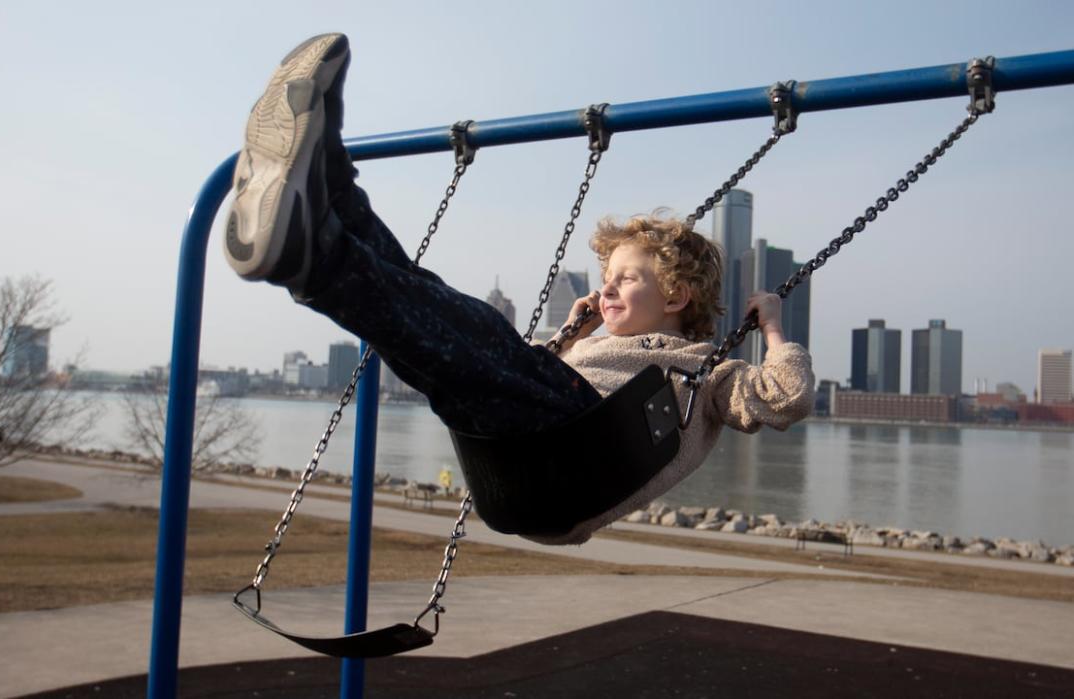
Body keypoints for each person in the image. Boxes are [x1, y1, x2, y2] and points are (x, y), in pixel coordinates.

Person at [225, 34, 815, 545]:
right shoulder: (589, 347)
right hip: (525, 457)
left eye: (626, 280)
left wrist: (771, 326)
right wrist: (572, 335)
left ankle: (316, 252)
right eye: (606, 281)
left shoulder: (705, 374)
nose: (608, 292)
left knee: (476, 333)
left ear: (678, 297)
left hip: (580, 459)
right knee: (437, 325)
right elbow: (520, 378)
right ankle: (332, 197)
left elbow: (784, 399)